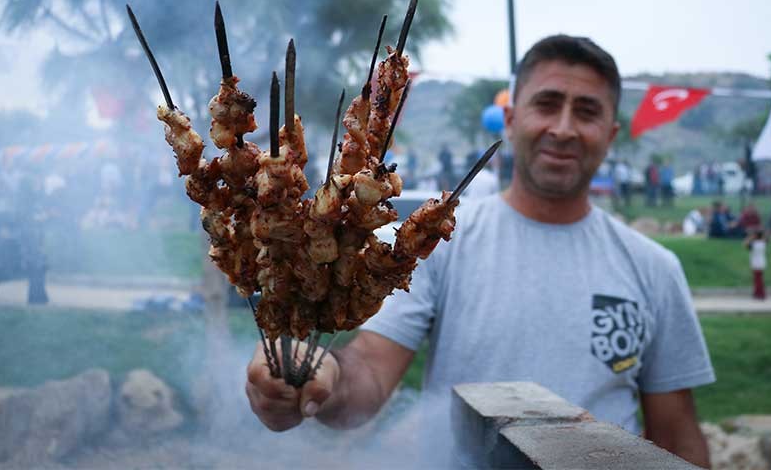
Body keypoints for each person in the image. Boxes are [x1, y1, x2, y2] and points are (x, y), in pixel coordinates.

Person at [245, 35, 714, 468]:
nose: (564, 128)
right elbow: (367, 369)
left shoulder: (655, 268)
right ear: (511, 121)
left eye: (587, 112)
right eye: (546, 104)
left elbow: (677, 434)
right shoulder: (439, 242)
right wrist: (325, 377)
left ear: (610, 135)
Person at [744, 229, 767, 300]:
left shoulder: (756, 244)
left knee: (758, 280)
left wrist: (749, 237)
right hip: (760, 263)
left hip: (757, 264)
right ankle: (758, 293)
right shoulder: (762, 243)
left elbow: (746, 244)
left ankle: (760, 294)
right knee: (758, 279)